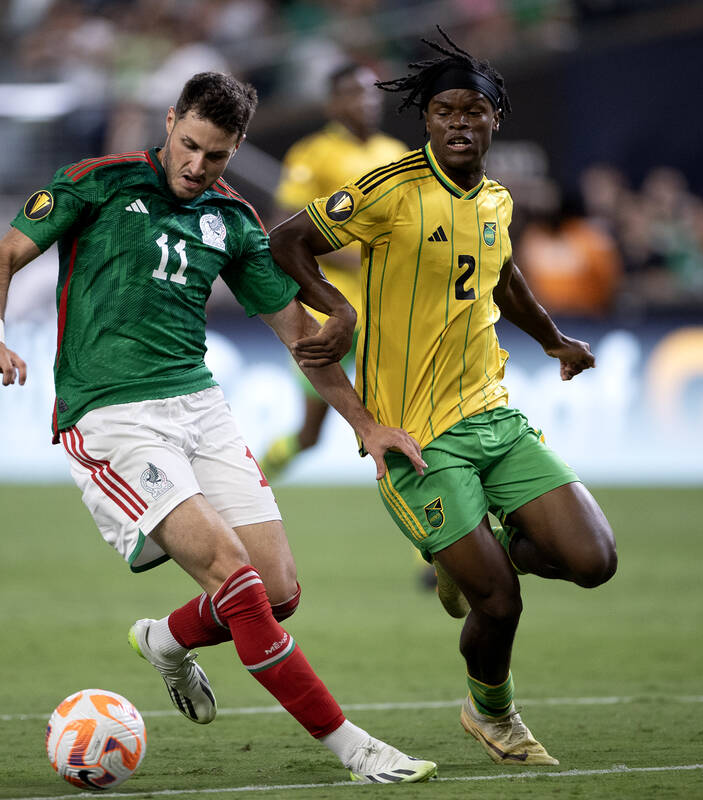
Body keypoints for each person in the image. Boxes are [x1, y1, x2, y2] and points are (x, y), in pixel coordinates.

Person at [0, 71, 437, 785]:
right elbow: (1, 256)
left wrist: (366, 424)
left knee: (279, 593)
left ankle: (164, 640)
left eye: (215, 155)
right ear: (169, 122)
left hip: (201, 407)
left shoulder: (235, 222)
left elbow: (299, 337)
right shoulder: (96, 183)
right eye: (188, 145)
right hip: (112, 417)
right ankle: (355, 749)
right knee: (240, 584)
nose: (196, 165)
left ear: (236, 147)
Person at [269, 30, 618, 766]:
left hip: (495, 415)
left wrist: (554, 340)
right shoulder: (389, 188)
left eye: (474, 112)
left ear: (497, 121)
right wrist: (340, 308)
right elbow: (287, 241)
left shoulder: (495, 198)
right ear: (425, 120)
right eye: (444, 110)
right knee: (498, 602)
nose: (459, 122)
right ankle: (493, 713)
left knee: (594, 560)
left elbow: (501, 274)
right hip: (415, 439)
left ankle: (483, 556)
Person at [259, 62, 408, 481]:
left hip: (387, 310)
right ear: (334, 102)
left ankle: (430, 541)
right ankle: (260, 474)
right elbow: (284, 228)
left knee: (402, 424)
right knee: (311, 434)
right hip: (328, 307)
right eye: (355, 93)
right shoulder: (312, 153)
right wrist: (361, 257)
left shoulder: (396, 155)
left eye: (372, 93)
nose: (367, 101)